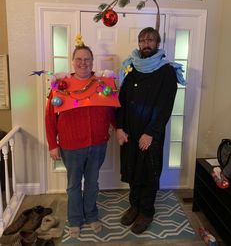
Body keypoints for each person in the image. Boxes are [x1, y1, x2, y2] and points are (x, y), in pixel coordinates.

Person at [116, 27, 185, 234]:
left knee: (148, 173)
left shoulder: (166, 71)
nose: (146, 43)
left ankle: (146, 211)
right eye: (142, 40)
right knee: (132, 169)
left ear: (157, 43)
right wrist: (119, 127)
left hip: (150, 133)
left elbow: (165, 106)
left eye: (150, 40)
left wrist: (151, 133)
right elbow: (121, 101)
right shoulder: (131, 68)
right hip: (129, 131)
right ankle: (134, 206)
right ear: (138, 44)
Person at [45, 44, 119, 238]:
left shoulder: (102, 84)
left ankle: (92, 215)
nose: (83, 63)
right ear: (72, 62)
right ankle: (75, 219)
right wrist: (53, 144)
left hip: (97, 145)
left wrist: (118, 128)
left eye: (87, 59)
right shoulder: (61, 86)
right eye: (79, 59)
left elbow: (111, 110)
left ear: (92, 62)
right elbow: (50, 117)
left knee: (93, 184)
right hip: (71, 146)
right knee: (73, 185)